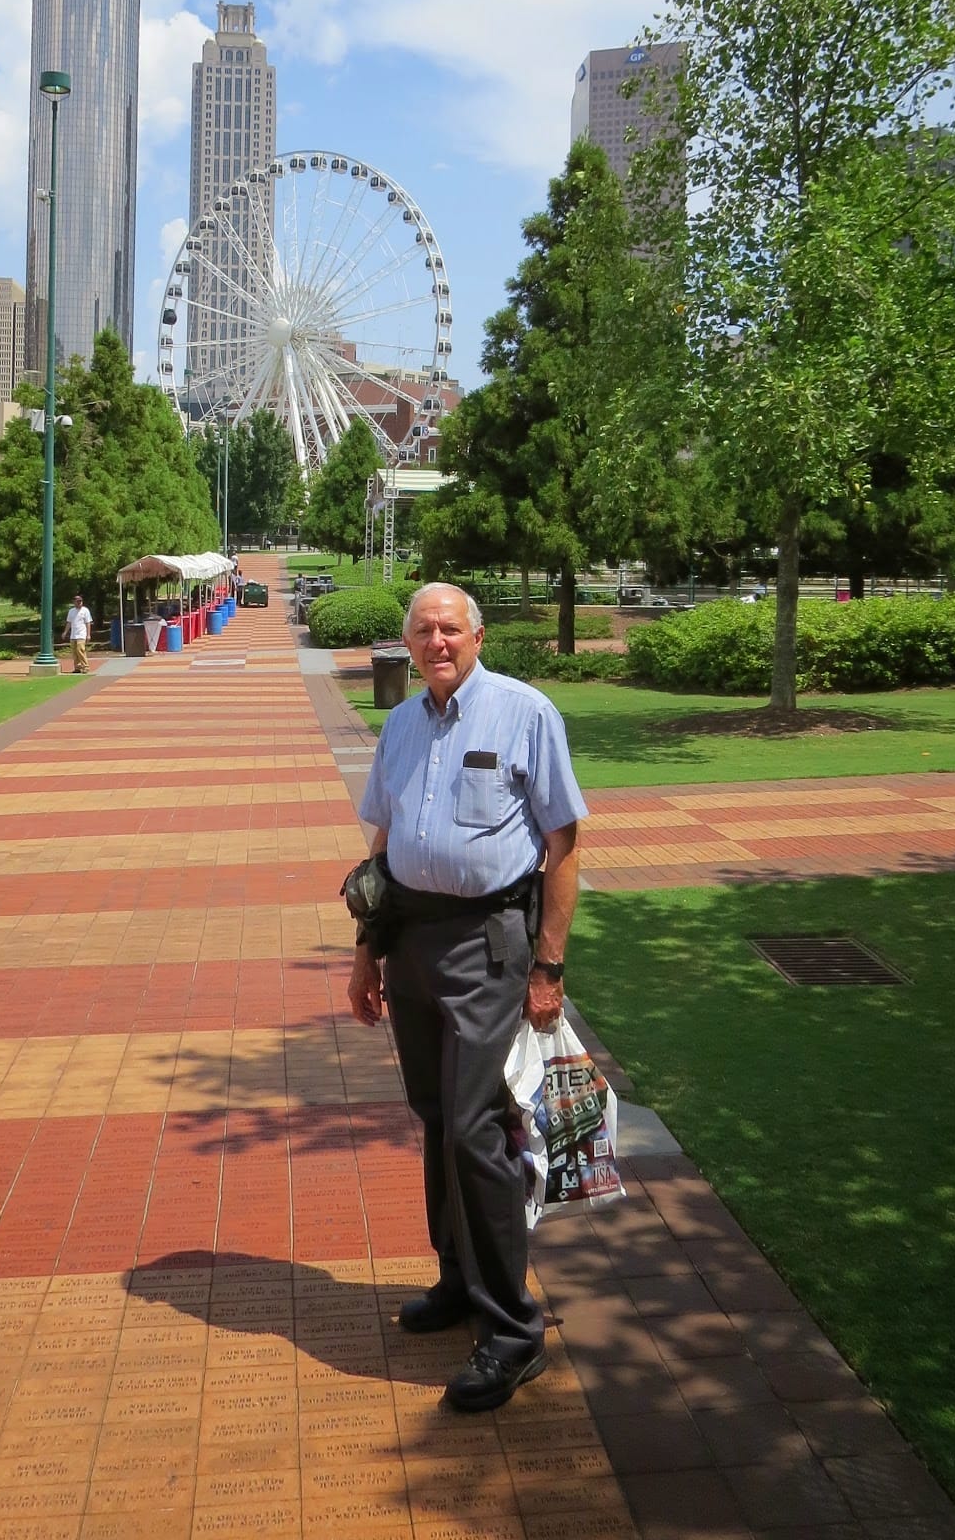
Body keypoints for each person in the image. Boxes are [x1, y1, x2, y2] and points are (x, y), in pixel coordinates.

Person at [349, 581, 587, 1413]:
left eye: (451, 628)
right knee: (435, 1117)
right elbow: (385, 844)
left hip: (491, 943)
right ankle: (458, 1281)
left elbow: (562, 846)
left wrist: (548, 967)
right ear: (409, 643)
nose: (437, 641)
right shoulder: (403, 725)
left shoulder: (525, 713)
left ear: (477, 635)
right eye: (423, 630)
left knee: (474, 1129)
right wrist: (365, 953)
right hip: (411, 939)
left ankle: (514, 1332)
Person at [63, 592, 93, 673]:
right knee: (74, 652)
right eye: (78, 601)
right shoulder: (71, 611)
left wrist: (88, 634)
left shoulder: (85, 610)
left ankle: (85, 666)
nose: (79, 603)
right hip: (73, 635)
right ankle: (77, 667)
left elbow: (88, 623)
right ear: (74, 602)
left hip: (81, 634)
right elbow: (69, 622)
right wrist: (65, 632)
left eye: (80, 601)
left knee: (80, 650)